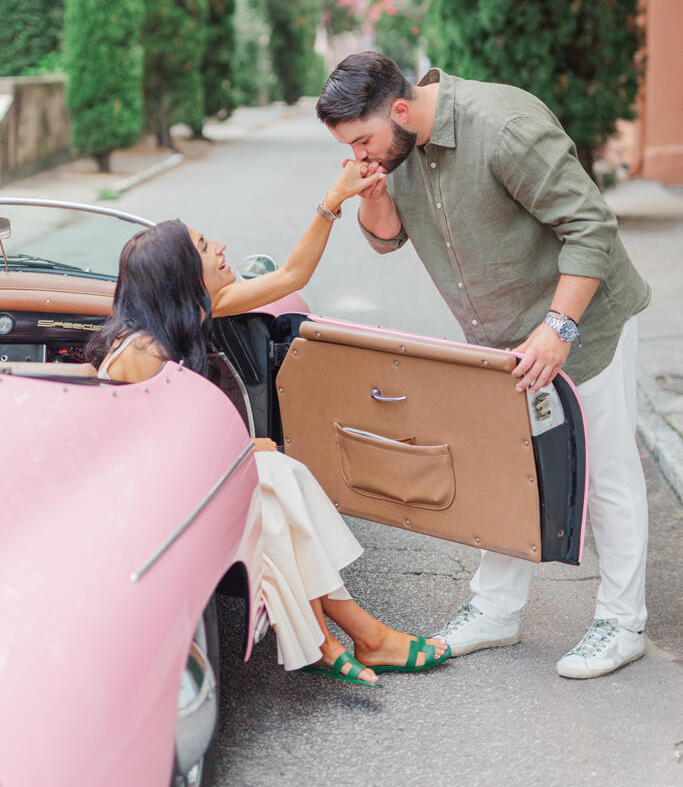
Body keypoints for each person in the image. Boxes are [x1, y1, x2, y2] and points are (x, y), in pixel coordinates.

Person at [315, 51, 651, 680]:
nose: (361, 153)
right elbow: (385, 239)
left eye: (364, 140)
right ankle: (496, 611)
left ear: (400, 108)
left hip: (583, 323)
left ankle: (623, 621)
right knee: (505, 470)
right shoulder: (396, 151)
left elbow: (592, 227)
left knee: (605, 473)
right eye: (348, 146)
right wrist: (374, 185)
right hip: (503, 346)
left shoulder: (502, 126)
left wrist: (559, 327)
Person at [87, 159, 450, 687]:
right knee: (275, 477)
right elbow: (138, 461)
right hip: (140, 504)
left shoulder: (201, 309)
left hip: (171, 485)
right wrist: (243, 453)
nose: (221, 249)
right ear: (183, 276)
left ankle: (346, 636)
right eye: (207, 248)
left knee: (282, 475)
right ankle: (355, 635)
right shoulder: (139, 353)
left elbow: (292, 276)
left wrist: (334, 200)